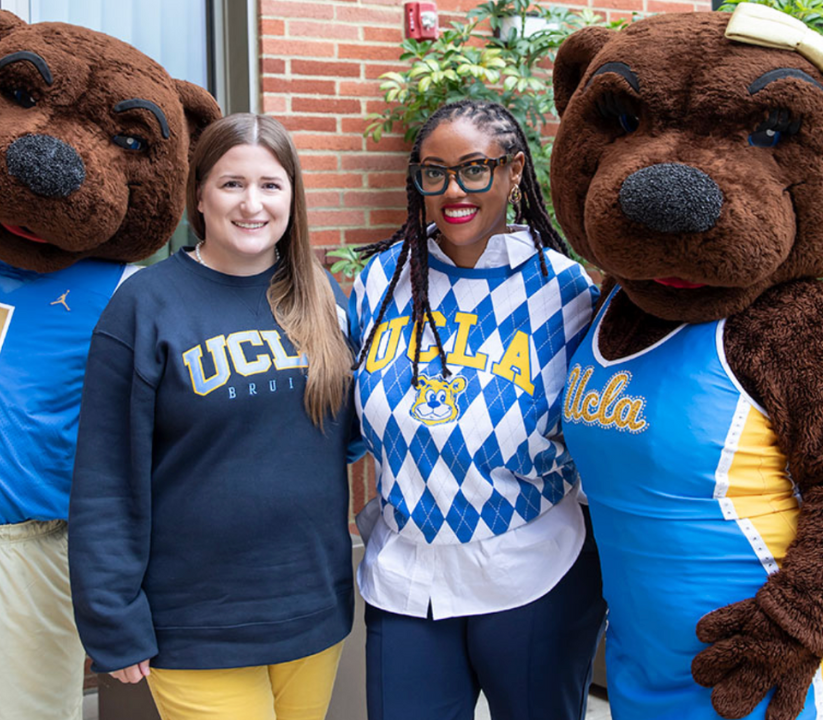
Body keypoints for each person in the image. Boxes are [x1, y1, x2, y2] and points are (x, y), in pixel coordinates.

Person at [69, 113, 358, 720]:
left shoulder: (322, 297)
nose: (252, 204)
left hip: (311, 607)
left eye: (270, 185)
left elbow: (352, 434)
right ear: (198, 194)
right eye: (231, 184)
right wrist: (111, 614)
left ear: (291, 196)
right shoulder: (145, 305)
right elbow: (105, 477)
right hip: (197, 621)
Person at [348, 100, 606, 720]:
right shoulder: (384, 281)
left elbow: (602, 435)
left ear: (514, 172)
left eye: (473, 169)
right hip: (406, 576)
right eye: (433, 173)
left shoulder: (565, 292)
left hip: (530, 571)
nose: (452, 190)